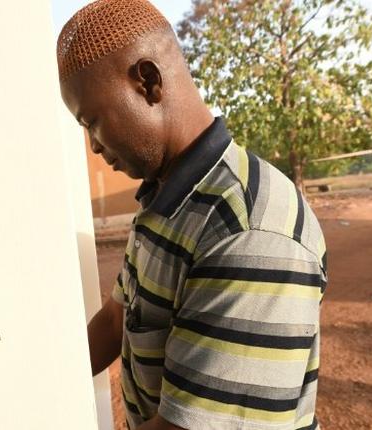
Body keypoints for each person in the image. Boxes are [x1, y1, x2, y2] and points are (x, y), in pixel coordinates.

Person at [57, 1, 328, 429]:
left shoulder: (247, 230)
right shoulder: (165, 199)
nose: (92, 145)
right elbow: (115, 319)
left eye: (92, 121)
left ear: (147, 82)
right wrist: (37, 383)